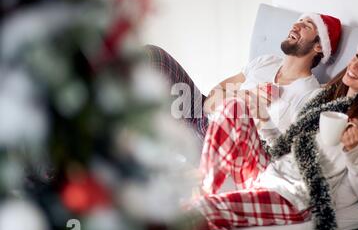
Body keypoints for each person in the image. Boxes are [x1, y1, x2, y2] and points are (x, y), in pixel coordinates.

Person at [189, 36, 358, 230]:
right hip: (270, 173)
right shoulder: (321, 97)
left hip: (296, 197)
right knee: (233, 107)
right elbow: (283, 147)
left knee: (204, 211)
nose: (354, 66)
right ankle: (204, 190)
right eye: (357, 56)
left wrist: (353, 151)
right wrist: (264, 118)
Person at [145, 13, 342, 144]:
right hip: (202, 117)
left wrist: (253, 111)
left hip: (227, 143)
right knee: (154, 56)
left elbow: (281, 147)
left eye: (307, 25)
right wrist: (239, 97)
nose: (296, 24)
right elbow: (212, 97)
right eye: (299, 20)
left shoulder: (308, 94)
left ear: (318, 46)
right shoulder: (266, 61)